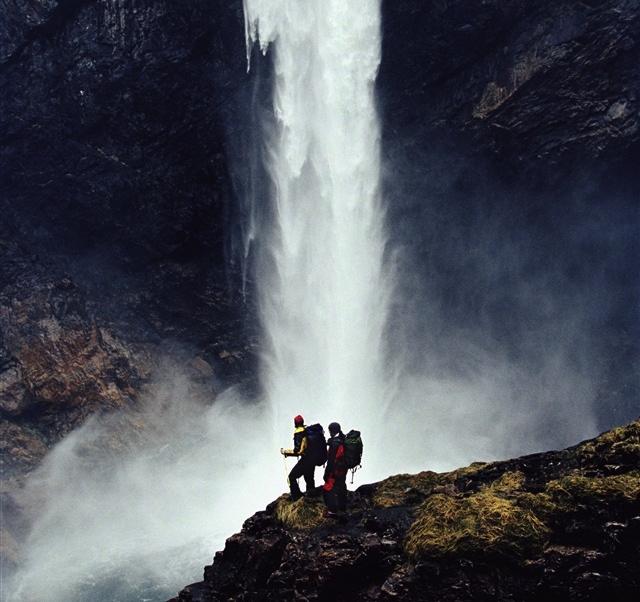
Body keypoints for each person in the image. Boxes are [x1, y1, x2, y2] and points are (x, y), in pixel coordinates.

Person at [281, 414, 316, 501]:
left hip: (306, 459)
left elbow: (297, 450)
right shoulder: (307, 430)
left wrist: (286, 452)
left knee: (291, 477)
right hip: (312, 459)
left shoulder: (298, 432)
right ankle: (311, 497)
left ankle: (297, 497)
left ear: (295, 423)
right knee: (309, 478)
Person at [323, 422, 347, 517]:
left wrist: (327, 474)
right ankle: (342, 507)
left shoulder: (334, 444)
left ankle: (332, 511)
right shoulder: (343, 438)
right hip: (343, 468)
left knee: (328, 488)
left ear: (331, 431)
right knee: (341, 486)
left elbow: (331, 461)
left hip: (335, 470)